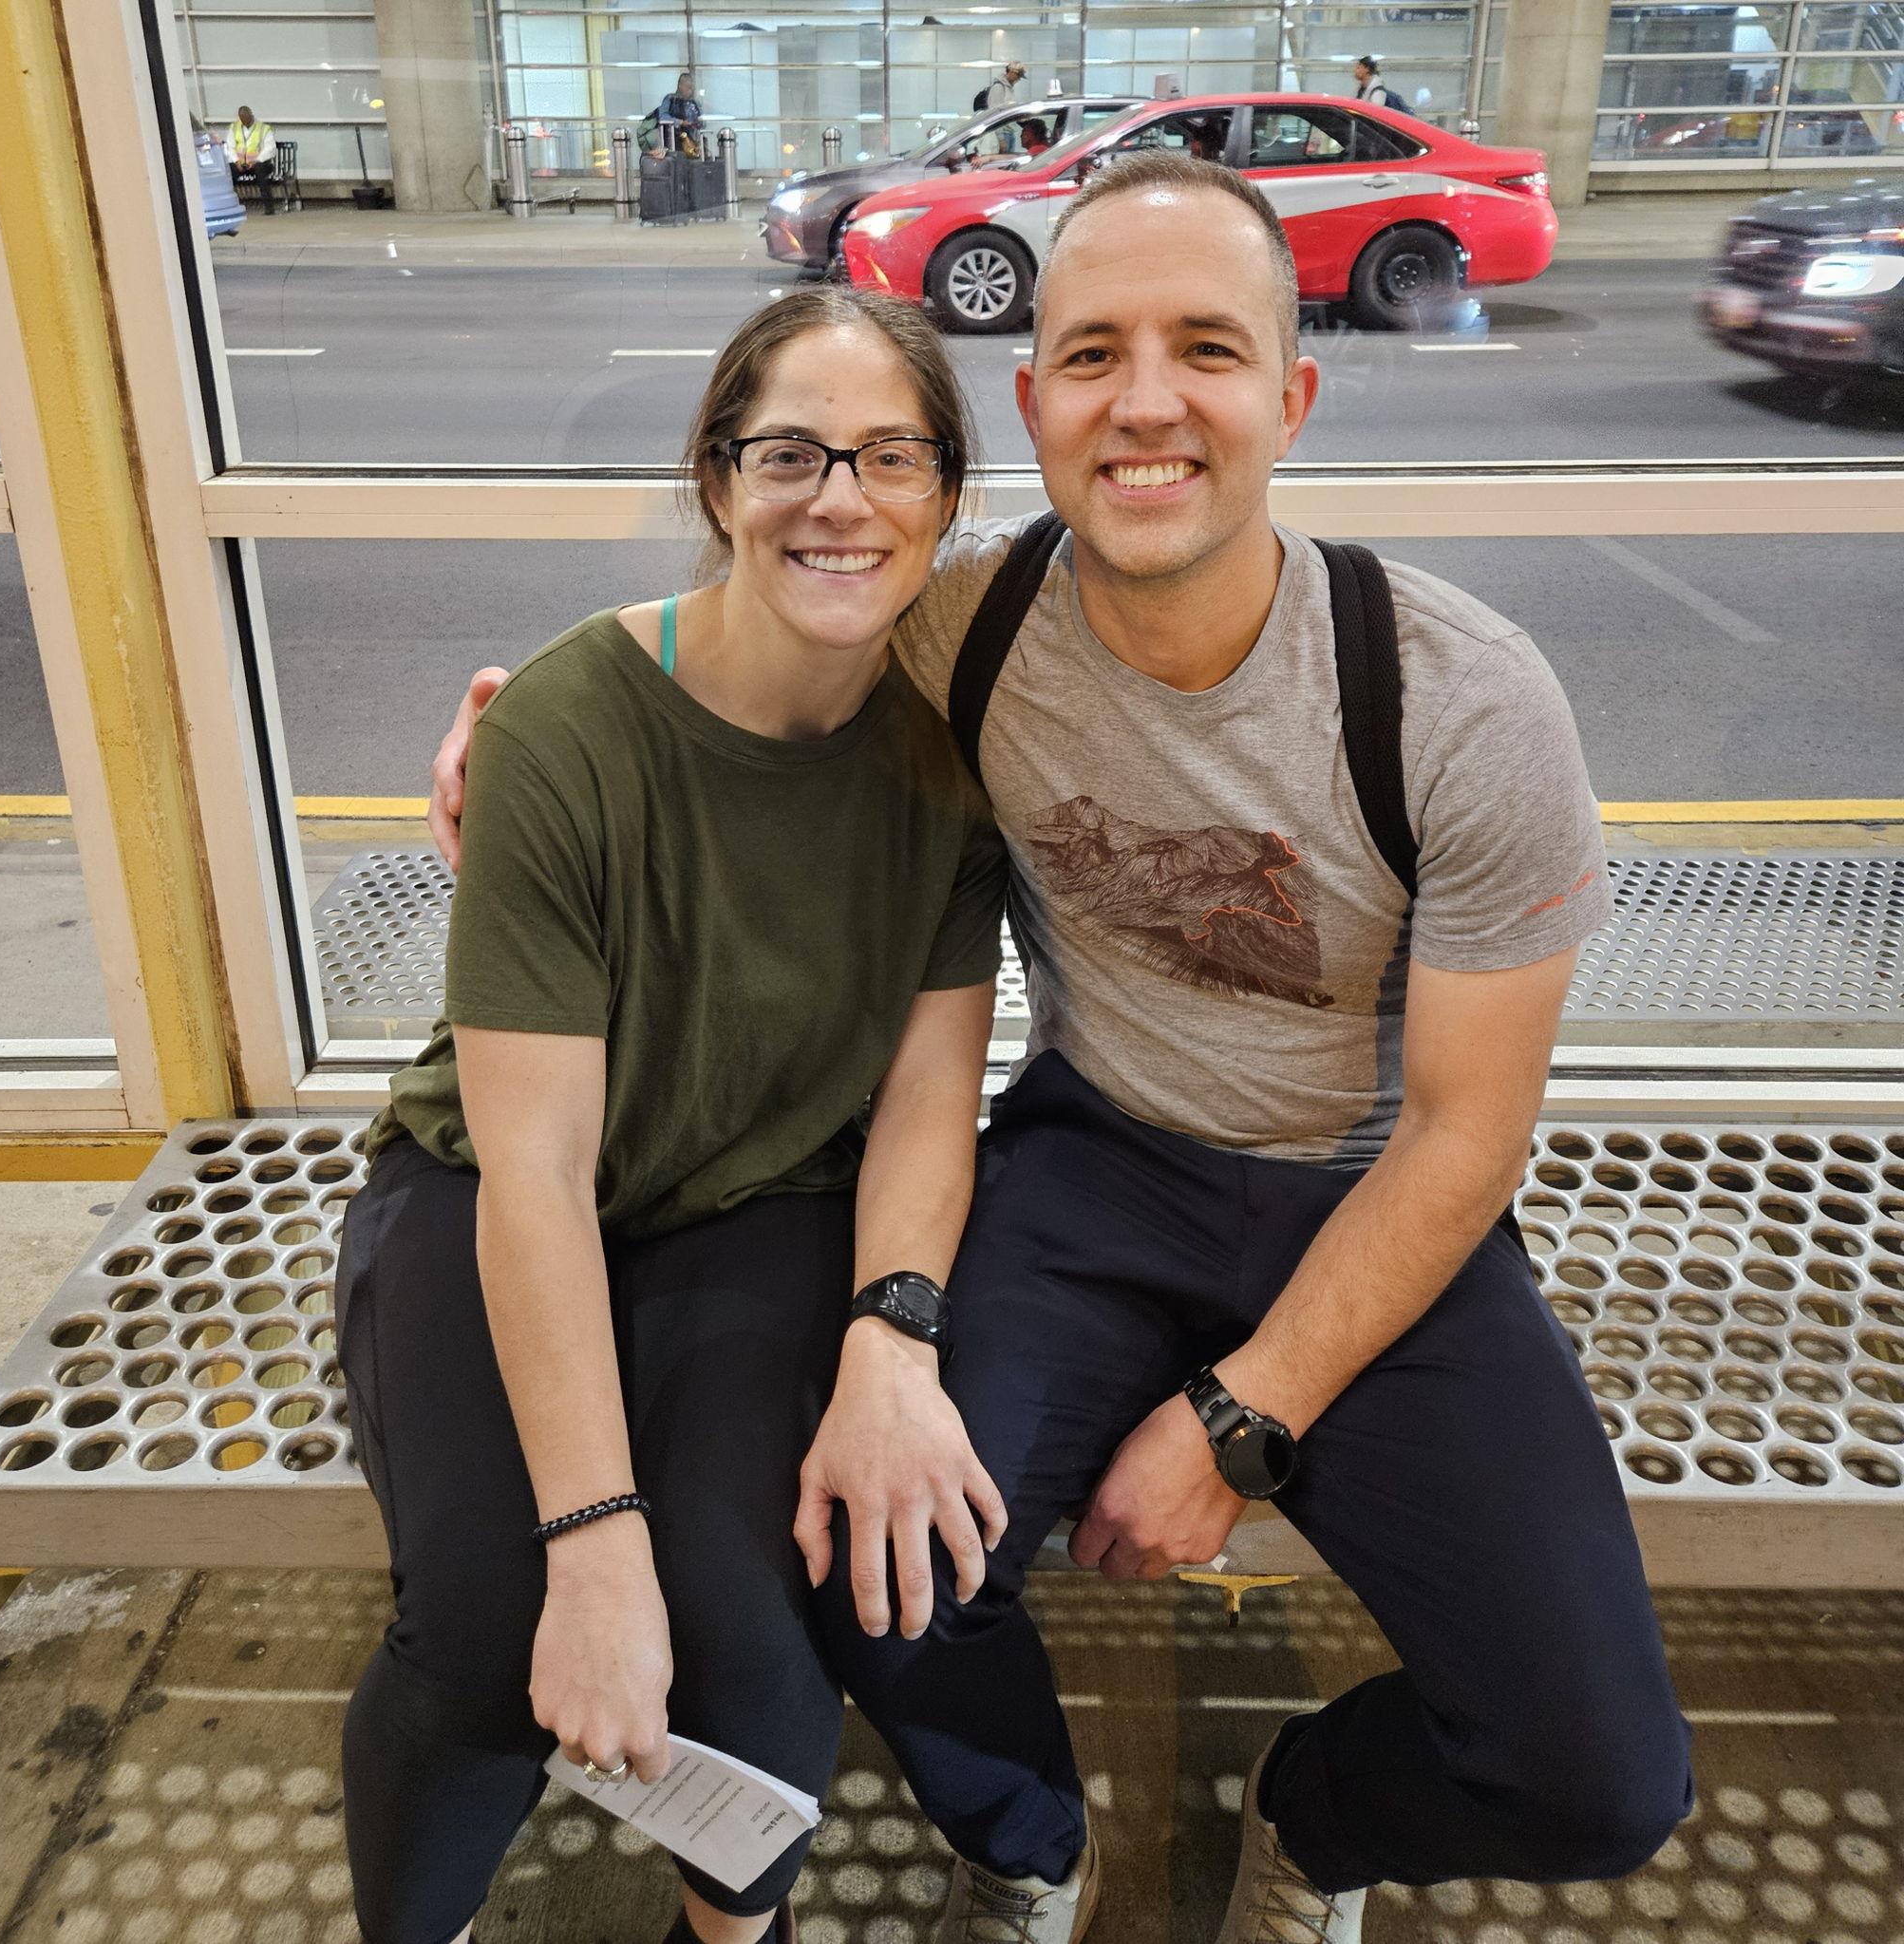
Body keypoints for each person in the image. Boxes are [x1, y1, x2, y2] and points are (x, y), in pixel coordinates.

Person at [430, 153, 1694, 1944]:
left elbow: (1466, 1135)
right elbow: (726, 656)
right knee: (878, 1563)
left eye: (1205, 349)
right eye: (1092, 351)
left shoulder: (1462, 702)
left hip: (1375, 1200)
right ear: (1027, 404)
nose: (1148, 402)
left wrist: (1240, 1418)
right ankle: (1031, 1838)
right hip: (1095, 1161)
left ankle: (1311, 1815)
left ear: (1292, 394)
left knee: (1602, 1779)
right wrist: (514, 733)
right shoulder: (965, 624)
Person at [337, 287, 1015, 1944]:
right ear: (716, 480)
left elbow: (933, 1086)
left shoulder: (953, 749)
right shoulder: (569, 724)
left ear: (943, 493)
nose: (838, 499)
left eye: (890, 457)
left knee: (746, 1622)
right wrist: (589, 1541)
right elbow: (538, 1167)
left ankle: (732, 1932)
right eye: (788, 453)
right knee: (493, 1619)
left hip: (763, 1201)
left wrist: (889, 1331)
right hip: (487, 1184)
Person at [230, 104, 277, 215]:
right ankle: (231, 206)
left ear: (251, 116)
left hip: (260, 163)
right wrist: (236, 161)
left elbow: (270, 149)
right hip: (242, 164)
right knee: (229, 173)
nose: (245, 122)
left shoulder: (263, 129)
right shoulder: (235, 129)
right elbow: (230, 147)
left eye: (247, 119)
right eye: (242, 120)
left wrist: (256, 160)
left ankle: (269, 207)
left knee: (261, 173)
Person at [657, 71, 703, 155]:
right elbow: (662, 117)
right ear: (680, 86)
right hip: (674, 143)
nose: (690, 90)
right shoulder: (670, 99)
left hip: (692, 143)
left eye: (692, 88)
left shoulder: (695, 103)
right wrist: (679, 122)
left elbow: (702, 121)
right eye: (688, 87)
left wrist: (697, 123)